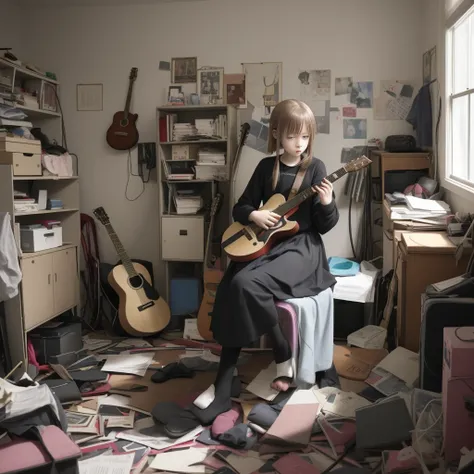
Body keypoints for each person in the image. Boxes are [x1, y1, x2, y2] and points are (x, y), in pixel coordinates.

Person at [189, 99, 339, 427]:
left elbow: (324, 225)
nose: (299, 143)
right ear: (276, 134)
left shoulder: (316, 168)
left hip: (302, 248)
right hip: (266, 245)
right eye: (292, 136)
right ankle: (223, 380)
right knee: (230, 285)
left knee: (246, 283)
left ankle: (282, 354)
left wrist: (327, 202)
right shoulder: (264, 167)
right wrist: (254, 213)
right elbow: (241, 207)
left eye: (305, 137)